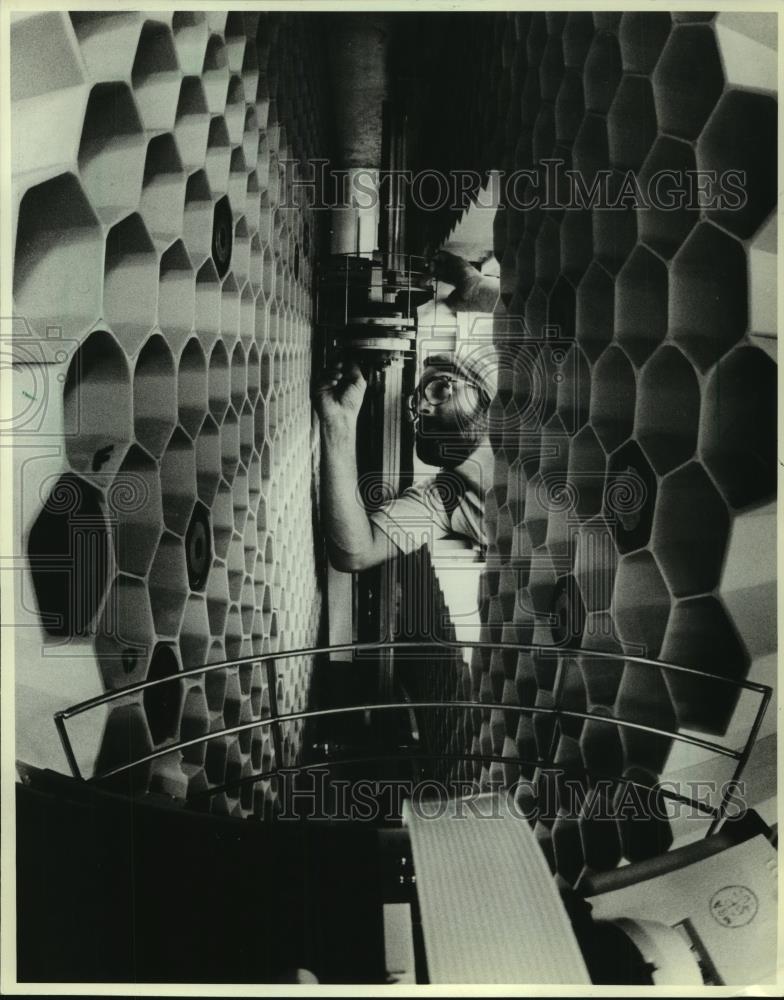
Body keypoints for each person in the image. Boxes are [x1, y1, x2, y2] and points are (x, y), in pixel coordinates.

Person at [313, 347, 497, 572]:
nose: (420, 408)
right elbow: (356, 554)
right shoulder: (445, 497)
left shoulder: (540, 465)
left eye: (440, 388)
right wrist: (338, 422)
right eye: (416, 401)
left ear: (491, 400)